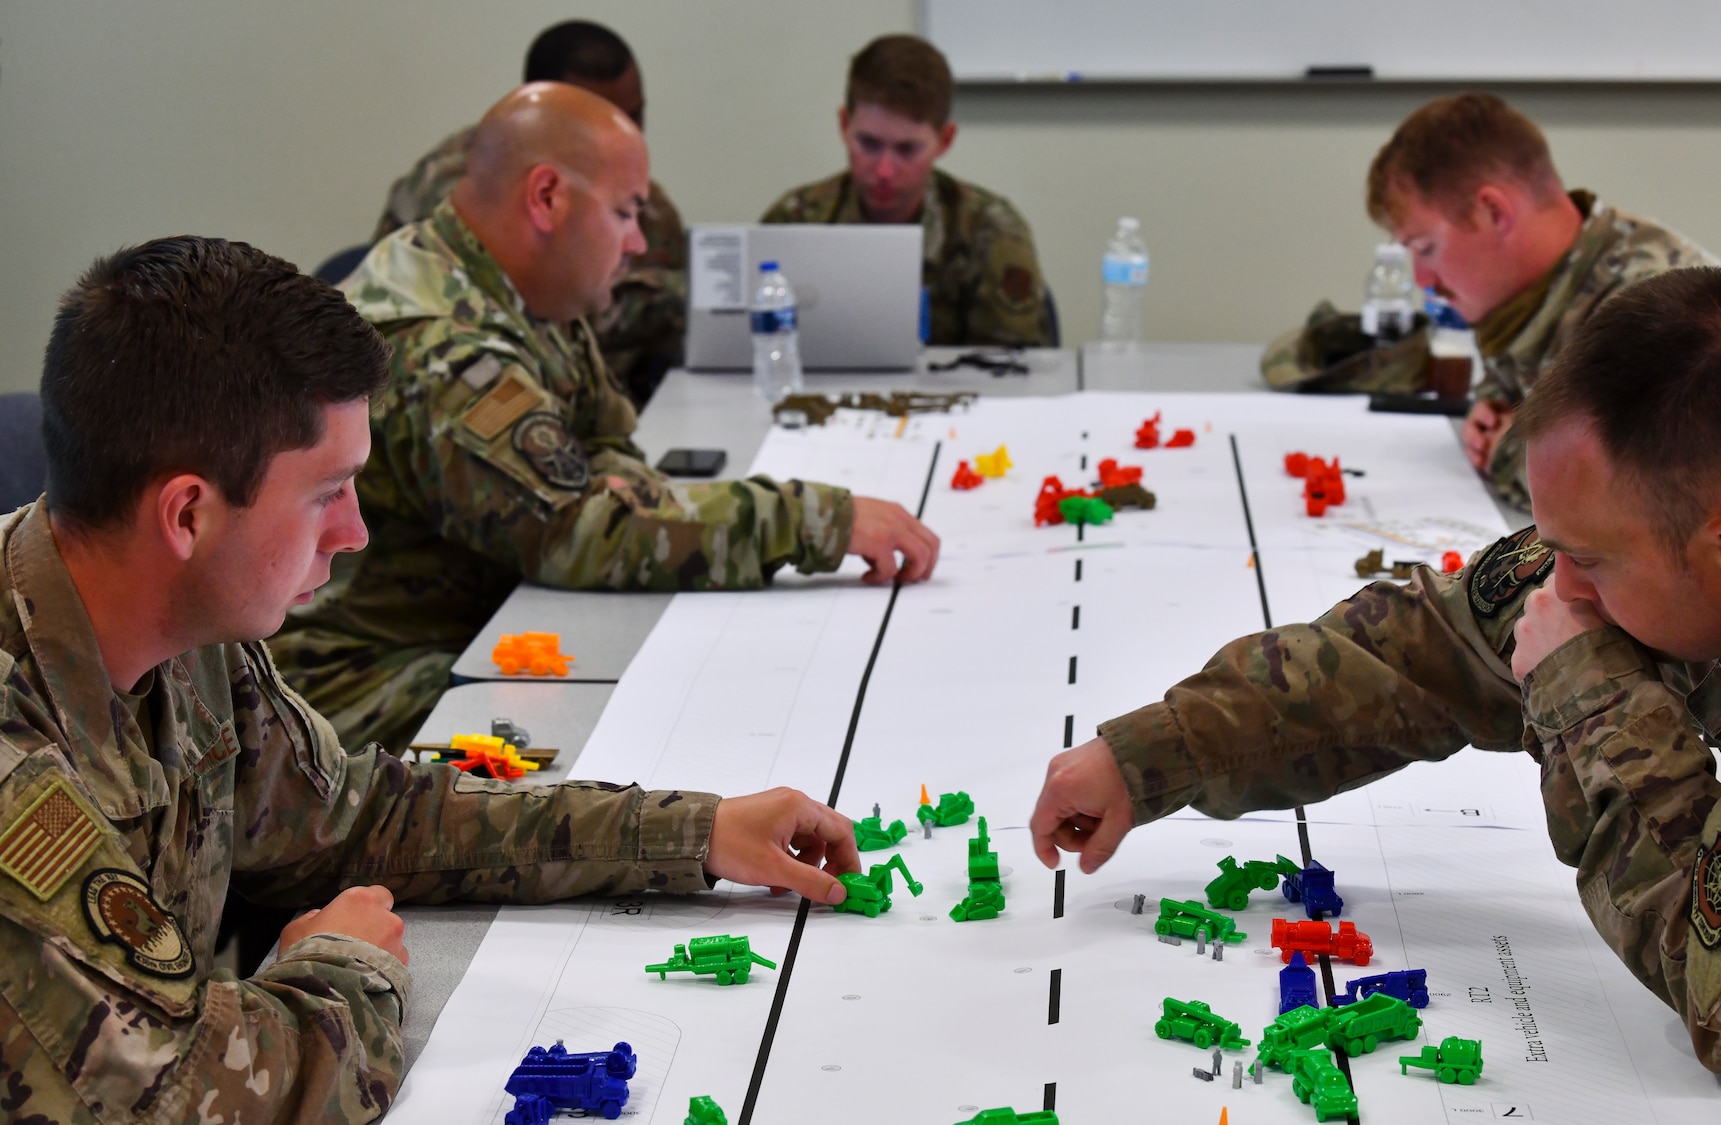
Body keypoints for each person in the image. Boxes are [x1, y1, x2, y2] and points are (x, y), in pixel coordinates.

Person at [1034, 268, 1721, 1084]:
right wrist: (1148, 756)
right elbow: (1429, 644)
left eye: (1590, 559)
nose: (1560, 585)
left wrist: (1586, 692)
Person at [0, 235, 862, 1120]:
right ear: (188, 513)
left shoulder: (185, 618)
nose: (355, 532)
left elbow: (356, 820)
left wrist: (691, 832)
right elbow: (194, 1098)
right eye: (326, 492)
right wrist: (343, 962)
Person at [274, 83, 940, 757]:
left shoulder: (519, 289)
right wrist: (813, 521)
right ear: (547, 198)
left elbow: (607, 444)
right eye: (625, 213)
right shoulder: (441, 344)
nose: (639, 242)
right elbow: (575, 531)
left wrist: (623, 501)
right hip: (366, 675)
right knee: (628, 753)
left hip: (489, 622)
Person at [1261, 93, 1716, 509]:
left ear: (1494, 212)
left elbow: (1638, 505)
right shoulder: (1526, 291)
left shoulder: (1652, 314)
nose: (1424, 281)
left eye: (1425, 249)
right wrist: (1497, 411)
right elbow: (1530, 395)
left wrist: (1510, 453)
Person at [374, 19, 687, 402]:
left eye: (635, 115)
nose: (628, 133)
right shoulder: (472, 185)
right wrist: (675, 298)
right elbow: (531, 314)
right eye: (602, 117)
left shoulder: (643, 202)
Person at [761, 34, 1055, 349]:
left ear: (945, 140)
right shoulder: (795, 221)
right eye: (869, 144)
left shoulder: (989, 231)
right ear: (844, 125)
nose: (885, 171)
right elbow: (755, 350)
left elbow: (1015, 374)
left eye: (907, 149)